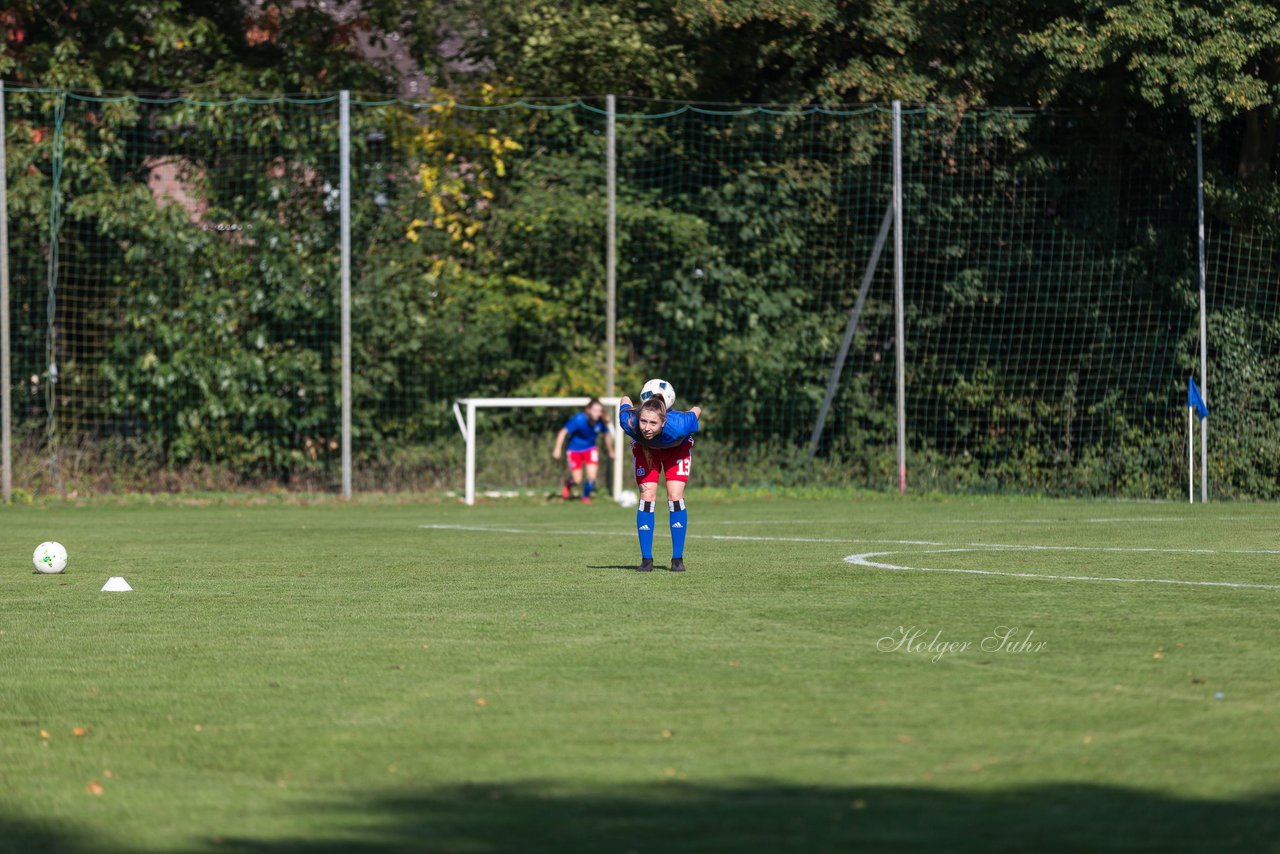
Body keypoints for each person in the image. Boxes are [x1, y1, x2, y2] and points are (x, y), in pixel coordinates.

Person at [617, 393, 702, 572]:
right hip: (646, 450)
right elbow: (624, 399)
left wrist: (685, 414)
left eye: (653, 423)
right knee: (647, 496)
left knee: (675, 496)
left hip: (677, 449)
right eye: (644, 421)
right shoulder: (629, 422)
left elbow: (697, 410)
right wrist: (628, 398)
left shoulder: (679, 424)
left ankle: (677, 559)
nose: (647, 428)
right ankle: (646, 560)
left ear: (664, 422)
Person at [552, 398, 614, 503]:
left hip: (590, 449)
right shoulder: (579, 419)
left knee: (592, 477)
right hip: (574, 450)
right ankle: (568, 483)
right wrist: (557, 449)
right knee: (577, 480)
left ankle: (585, 497)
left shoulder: (601, 421)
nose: (597, 413)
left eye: (599, 411)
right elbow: (563, 432)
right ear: (588, 410)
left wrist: (610, 450)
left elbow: (606, 435)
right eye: (595, 410)